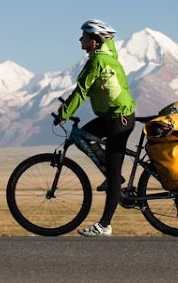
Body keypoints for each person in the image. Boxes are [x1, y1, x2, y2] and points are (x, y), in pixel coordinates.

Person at [54, 19, 136, 237]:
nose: (80, 39)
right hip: (111, 117)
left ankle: (105, 225)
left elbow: (81, 91)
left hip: (119, 120)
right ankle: (112, 176)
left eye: (83, 36)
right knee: (84, 136)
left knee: (114, 169)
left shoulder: (98, 60)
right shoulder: (104, 58)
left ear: (93, 41)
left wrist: (63, 114)